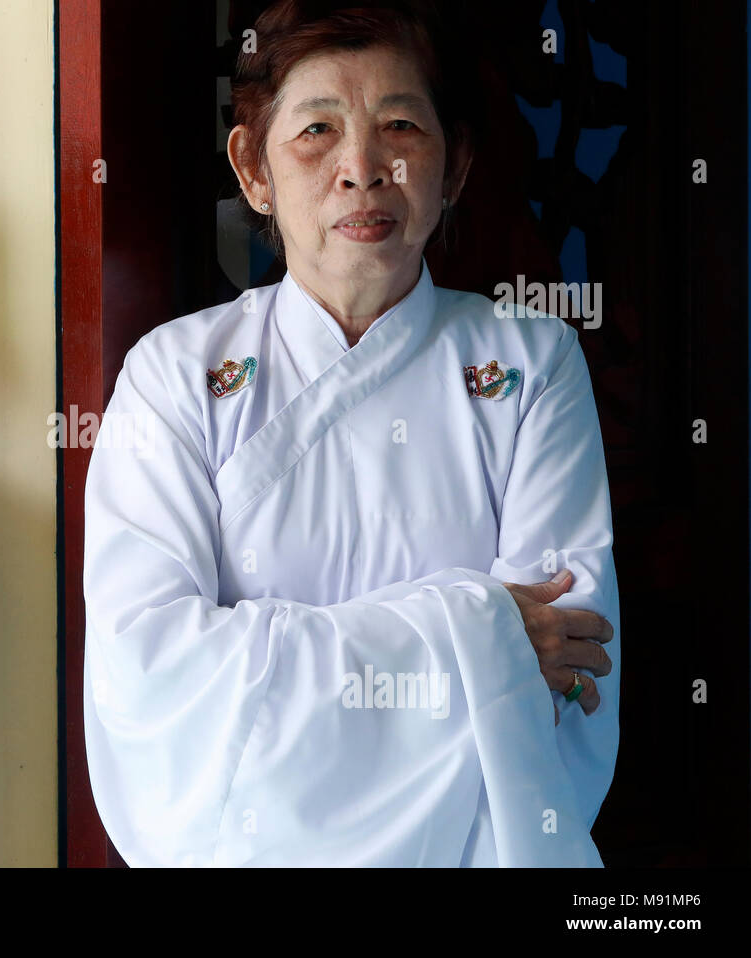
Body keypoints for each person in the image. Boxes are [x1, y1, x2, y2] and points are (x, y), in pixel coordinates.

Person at [82, 0, 619, 866]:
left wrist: (268, 680)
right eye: (317, 132)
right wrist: (476, 635)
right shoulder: (174, 375)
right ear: (253, 171)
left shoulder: (531, 367)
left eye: (401, 125)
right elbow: (151, 681)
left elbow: (566, 677)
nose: (362, 168)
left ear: (456, 166)